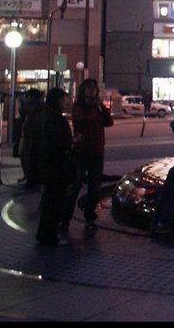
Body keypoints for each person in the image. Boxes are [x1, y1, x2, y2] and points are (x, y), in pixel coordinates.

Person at [62, 78, 113, 234]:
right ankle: (64, 220)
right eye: (89, 88)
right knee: (75, 187)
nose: (92, 90)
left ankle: (90, 219)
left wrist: (102, 108)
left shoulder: (97, 107)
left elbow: (109, 122)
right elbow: (84, 118)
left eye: (94, 88)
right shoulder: (79, 107)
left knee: (94, 188)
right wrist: (94, 106)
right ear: (83, 90)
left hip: (97, 152)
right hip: (81, 152)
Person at [36, 88, 73, 247]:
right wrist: (71, 142)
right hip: (55, 165)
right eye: (65, 98)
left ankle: (44, 234)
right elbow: (60, 142)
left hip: (48, 164)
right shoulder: (55, 118)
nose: (66, 101)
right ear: (58, 100)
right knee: (55, 201)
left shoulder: (46, 116)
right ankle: (49, 237)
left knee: (50, 200)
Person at [18, 88, 46, 189]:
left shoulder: (39, 106)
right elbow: (22, 112)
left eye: (28, 96)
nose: (27, 98)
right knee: (24, 156)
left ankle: (32, 180)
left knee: (30, 158)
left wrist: (23, 102)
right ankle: (29, 177)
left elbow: (29, 111)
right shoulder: (34, 106)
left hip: (34, 136)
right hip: (27, 135)